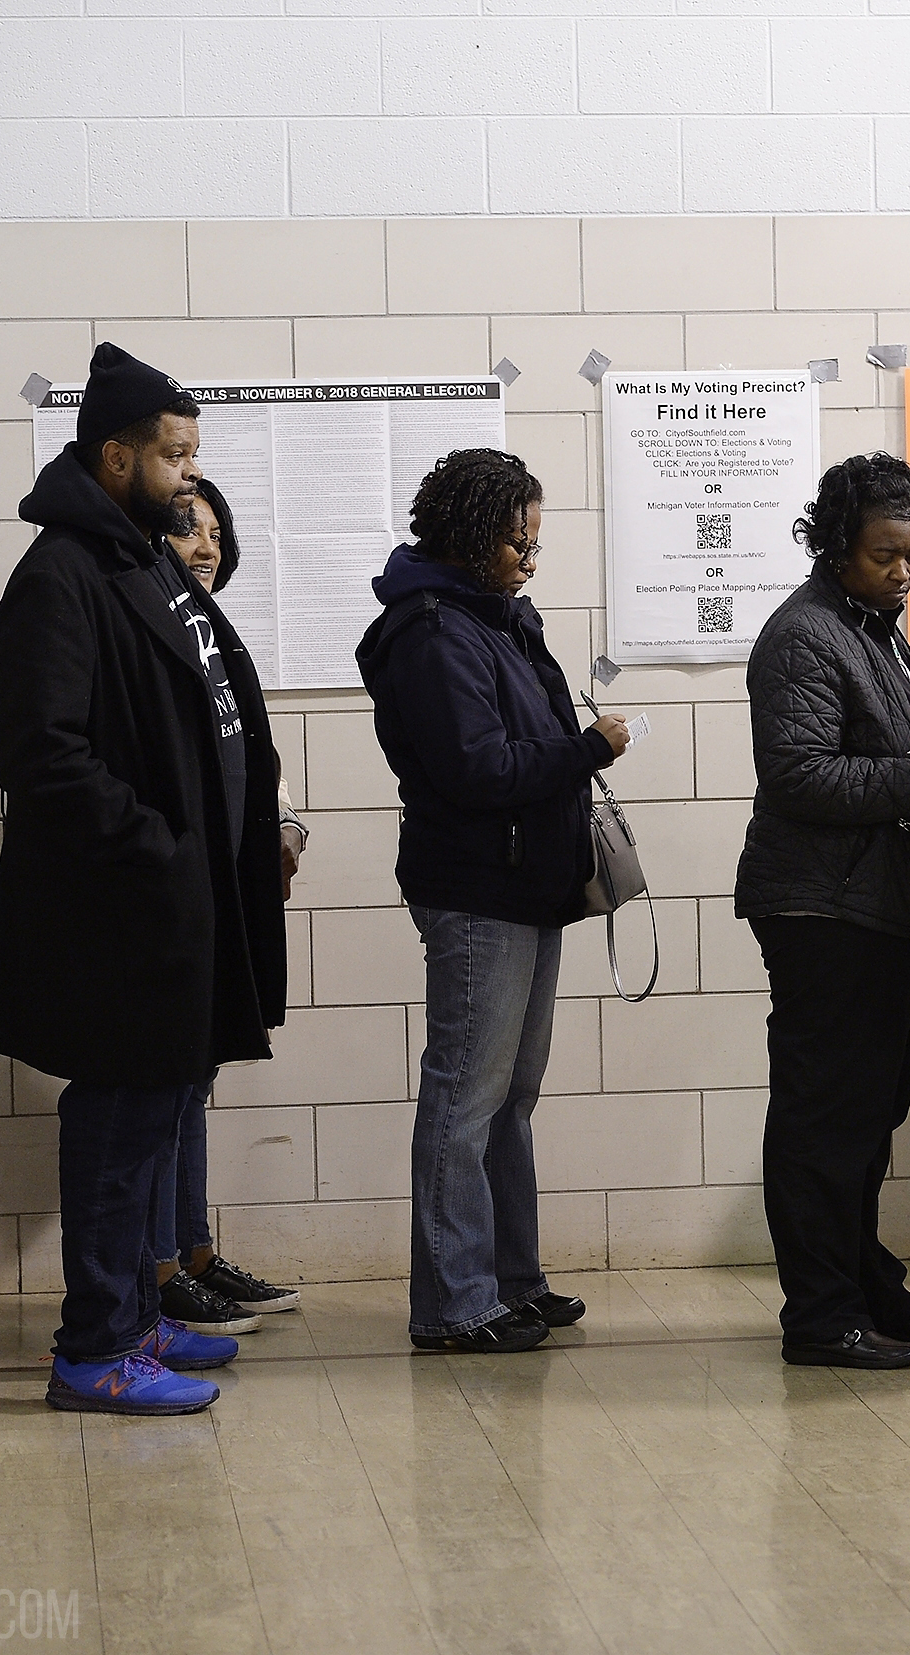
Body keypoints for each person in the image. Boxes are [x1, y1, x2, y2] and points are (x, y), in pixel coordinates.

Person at [0, 343, 289, 1416]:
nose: (190, 476)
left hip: (181, 908)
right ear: (116, 457)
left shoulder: (145, 559)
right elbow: (41, 752)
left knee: (156, 1120)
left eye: (194, 453)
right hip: (121, 914)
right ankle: (95, 1347)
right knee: (116, 1131)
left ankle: (140, 1316)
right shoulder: (62, 574)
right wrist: (161, 845)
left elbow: (204, 719)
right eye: (173, 455)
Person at [734, 452, 910, 1372]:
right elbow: (800, 775)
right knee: (825, 1116)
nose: (904, 571)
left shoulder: (870, 624)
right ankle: (819, 1313)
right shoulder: (806, 634)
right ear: (837, 545)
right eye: (886, 555)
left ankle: (866, 1283)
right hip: (825, 910)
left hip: (881, 905)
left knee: (870, 1112)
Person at [357, 448, 627, 1355]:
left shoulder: (497, 618)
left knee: (510, 1098)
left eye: (535, 543)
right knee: (464, 1101)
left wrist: (572, 742)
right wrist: (587, 747)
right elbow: (477, 767)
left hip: (528, 884)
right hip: (477, 890)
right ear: (473, 536)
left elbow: (527, 734)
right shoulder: (432, 631)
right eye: (518, 541)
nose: (529, 558)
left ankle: (512, 1280)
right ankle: (453, 1303)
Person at [146, 476, 308, 1335]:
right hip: (172, 895)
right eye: (186, 529)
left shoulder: (212, 628)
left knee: (195, 1079)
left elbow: (243, 756)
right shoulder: (152, 624)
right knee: (165, 1084)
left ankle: (194, 1252)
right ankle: (161, 1268)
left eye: (215, 531)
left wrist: (280, 826)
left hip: (223, 889)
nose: (205, 545)